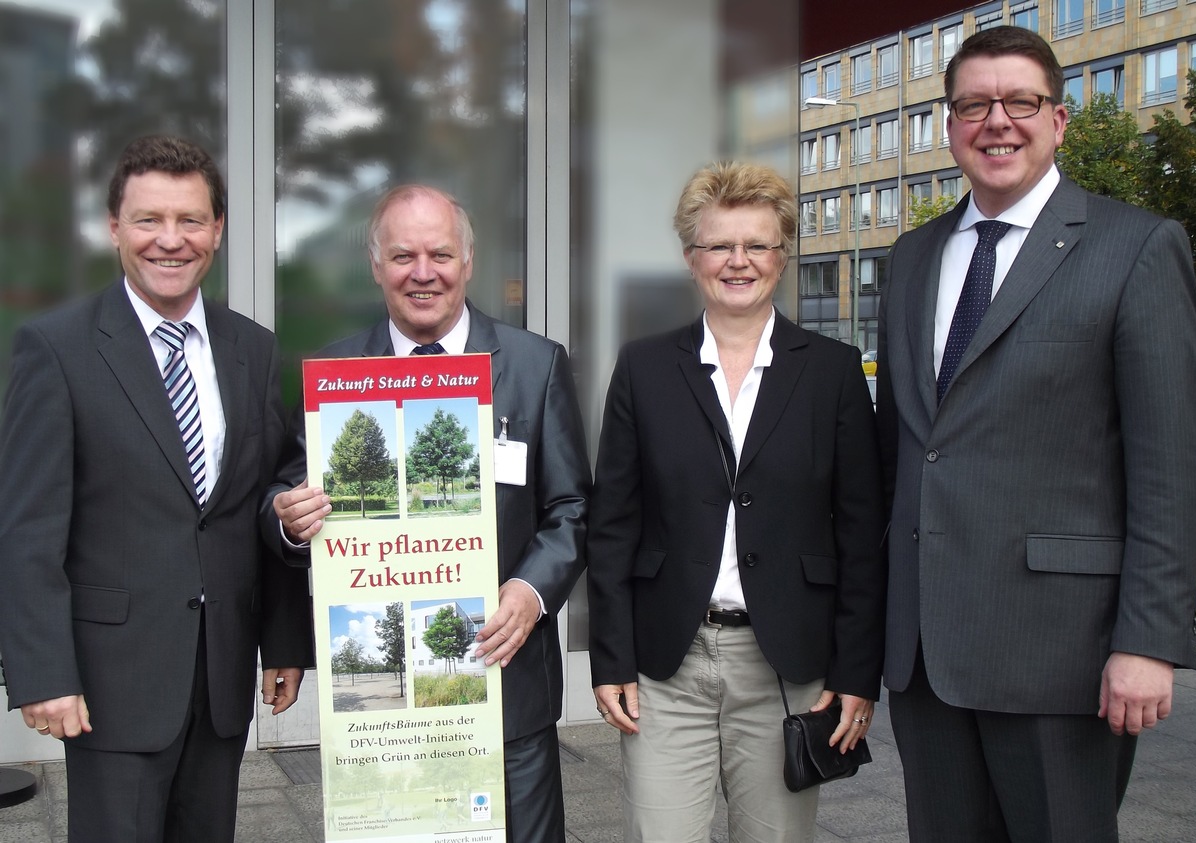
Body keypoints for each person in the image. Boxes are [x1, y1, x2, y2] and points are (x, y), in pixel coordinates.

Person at [876, 25, 1196, 843]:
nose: (997, 121)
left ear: (1058, 120)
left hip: (1064, 653)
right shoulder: (911, 258)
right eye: (973, 104)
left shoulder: (1136, 248)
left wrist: (1149, 641)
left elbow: (1170, 465)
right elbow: (903, 454)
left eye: (1020, 101)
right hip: (926, 656)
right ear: (949, 126)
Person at [0, 135, 314, 842]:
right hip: (111, 681)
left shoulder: (253, 348)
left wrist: (284, 640)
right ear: (114, 228)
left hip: (221, 675)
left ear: (217, 231)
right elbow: (27, 529)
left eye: (190, 220)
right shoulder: (56, 349)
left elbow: (263, 501)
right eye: (148, 220)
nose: (169, 241)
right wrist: (43, 671)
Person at [263, 183, 590, 843]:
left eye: (439, 254)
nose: (422, 272)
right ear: (376, 265)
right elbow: (282, 497)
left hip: (505, 681)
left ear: (468, 261)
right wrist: (286, 518)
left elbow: (572, 507)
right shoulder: (331, 373)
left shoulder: (535, 366)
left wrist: (532, 591)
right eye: (403, 255)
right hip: (380, 703)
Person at [587, 161, 886, 843]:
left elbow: (862, 533)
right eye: (720, 245)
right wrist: (610, 658)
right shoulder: (644, 366)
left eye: (757, 244)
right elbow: (612, 525)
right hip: (669, 663)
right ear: (692, 259)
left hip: (788, 665)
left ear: (782, 255)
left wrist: (855, 672)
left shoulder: (833, 370)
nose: (738, 261)